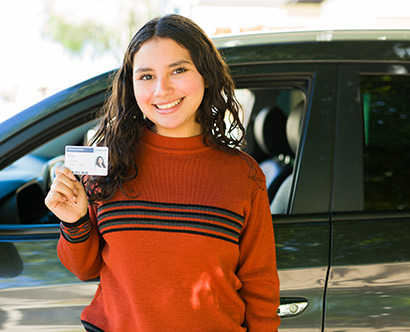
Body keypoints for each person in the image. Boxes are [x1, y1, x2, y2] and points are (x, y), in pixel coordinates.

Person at [45, 14, 280, 332]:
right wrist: (74, 221)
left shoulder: (244, 175)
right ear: (131, 85)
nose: (162, 89)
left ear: (206, 76)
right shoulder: (107, 165)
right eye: (145, 76)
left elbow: (260, 286)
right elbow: (84, 269)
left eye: (179, 70)